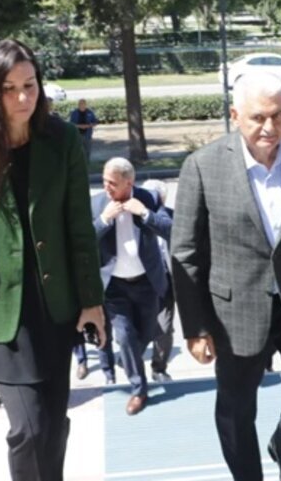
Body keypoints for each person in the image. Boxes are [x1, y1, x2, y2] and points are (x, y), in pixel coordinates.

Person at [0, 39, 106, 481]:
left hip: (55, 306)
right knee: (29, 430)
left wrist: (92, 301)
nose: (22, 98)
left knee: (53, 426)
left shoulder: (63, 140)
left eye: (29, 85)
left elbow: (79, 227)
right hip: (0, 314)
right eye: (9, 89)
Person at [171, 72, 281, 481]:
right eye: (258, 117)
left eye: (277, 116)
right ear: (235, 115)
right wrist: (195, 328)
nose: (269, 127)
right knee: (236, 409)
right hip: (235, 311)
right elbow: (185, 253)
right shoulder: (203, 166)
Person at [92, 157, 173, 415]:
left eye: (112, 183)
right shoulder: (97, 204)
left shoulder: (149, 198)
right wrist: (104, 220)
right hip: (114, 287)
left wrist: (145, 214)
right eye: (104, 181)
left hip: (147, 284)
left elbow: (170, 229)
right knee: (124, 335)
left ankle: (128, 359)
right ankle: (139, 389)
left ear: (129, 182)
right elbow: (84, 241)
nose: (106, 187)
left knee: (147, 333)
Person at [142, 178, 176, 383]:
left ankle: (159, 368)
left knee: (165, 327)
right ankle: (132, 358)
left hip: (167, 281)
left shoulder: (172, 217)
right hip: (142, 281)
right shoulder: (134, 217)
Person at [69, 98, 99, 162]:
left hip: (87, 135)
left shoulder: (90, 112)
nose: (82, 105)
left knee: (87, 150)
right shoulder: (74, 113)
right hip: (77, 135)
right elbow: (71, 124)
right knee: (78, 151)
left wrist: (89, 125)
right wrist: (79, 126)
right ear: (78, 105)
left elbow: (95, 122)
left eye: (83, 104)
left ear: (85, 104)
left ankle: (87, 163)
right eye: (80, 104)